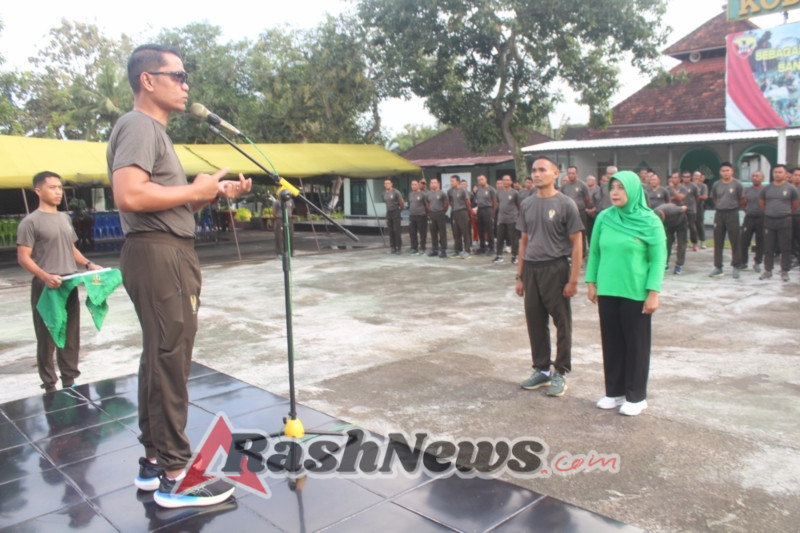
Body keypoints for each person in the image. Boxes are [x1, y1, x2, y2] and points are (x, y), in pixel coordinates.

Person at [107, 44, 252, 508]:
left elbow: (164, 199)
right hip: (158, 254)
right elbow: (129, 195)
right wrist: (194, 187)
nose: (186, 83)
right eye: (178, 74)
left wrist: (208, 192)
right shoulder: (138, 125)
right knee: (170, 356)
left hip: (163, 250)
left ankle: (154, 462)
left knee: (159, 355)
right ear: (147, 80)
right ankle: (175, 473)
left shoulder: (153, 131)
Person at [586, 170, 666, 417]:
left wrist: (653, 292)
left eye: (621, 187)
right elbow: (596, 252)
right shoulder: (604, 218)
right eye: (613, 187)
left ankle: (636, 397)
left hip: (635, 292)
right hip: (608, 289)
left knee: (636, 345)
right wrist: (591, 281)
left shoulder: (650, 220)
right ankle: (614, 392)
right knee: (612, 343)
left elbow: (658, 258)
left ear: (633, 190)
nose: (616, 192)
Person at [16, 171, 103, 394]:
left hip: (68, 283)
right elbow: (23, 257)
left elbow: (71, 248)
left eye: (60, 188)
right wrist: (45, 276)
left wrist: (88, 264)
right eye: (52, 187)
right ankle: (49, 385)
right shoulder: (30, 222)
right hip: (46, 286)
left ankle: (69, 380)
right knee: (47, 337)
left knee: (71, 334)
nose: (58, 192)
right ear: (38, 191)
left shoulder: (64, 218)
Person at [516, 157, 583, 398]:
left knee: (562, 322)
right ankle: (541, 370)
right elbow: (524, 240)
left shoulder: (566, 204)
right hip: (532, 269)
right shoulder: (527, 204)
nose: (536, 174)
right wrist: (520, 276)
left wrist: (573, 279)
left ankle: (560, 372)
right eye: (534, 170)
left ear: (555, 173)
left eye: (542, 170)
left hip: (556, 268)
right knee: (535, 321)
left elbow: (577, 243)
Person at [759, 164, 800, 281]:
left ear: (786, 174)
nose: (777, 174)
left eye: (780, 172)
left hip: (785, 220)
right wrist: (770, 212)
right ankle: (767, 270)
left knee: (785, 246)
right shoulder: (767, 188)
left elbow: (795, 204)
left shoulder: (790, 188)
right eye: (775, 172)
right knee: (769, 247)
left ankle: (785, 271)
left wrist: (785, 212)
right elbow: (762, 203)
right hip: (769, 220)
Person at [710, 162, 743, 278]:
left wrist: (732, 206)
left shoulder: (737, 184)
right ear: (720, 172)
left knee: (735, 240)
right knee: (718, 241)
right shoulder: (716, 184)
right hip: (719, 213)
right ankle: (718, 267)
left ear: (732, 171)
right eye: (723, 171)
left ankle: (736, 266)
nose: (725, 173)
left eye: (727, 170)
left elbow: (742, 199)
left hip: (733, 212)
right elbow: (714, 198)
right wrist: (721, 206)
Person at [559, 165, 591, 253]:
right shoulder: (564, 187)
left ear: (577, 174)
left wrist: (582, 207)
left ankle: (583, 253)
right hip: (567, 214)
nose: (571, 175)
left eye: (573, 173)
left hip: (580, 213)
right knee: (568, 233)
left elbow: (587, 199)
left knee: (581, 233)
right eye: (569, 173)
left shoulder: (582, 185)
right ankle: (570, 252)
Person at [738, 170, 765, 272]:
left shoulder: (765, 190)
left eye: (757, 176)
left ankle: (757, 262)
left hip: (762, 218)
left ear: (762, 178)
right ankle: (743, 262)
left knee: (760, 241)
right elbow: (743, 203)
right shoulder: (747, 190)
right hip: (749, 217)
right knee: (744, 240)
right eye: (753, 176)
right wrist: (748, 211)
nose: (755, 178)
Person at [654, 203, 688, 275]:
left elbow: (684, 207)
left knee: (681, 244)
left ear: (664, 215)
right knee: (667, 242)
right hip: (669, 225)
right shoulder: (654, 213)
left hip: (681, 222)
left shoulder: (672, 210)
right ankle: (665, 263)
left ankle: (679, 265)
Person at [493, 175, 520, 264]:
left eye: (507, 180)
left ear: (511, 182)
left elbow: (518, 205)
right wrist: (494, 214)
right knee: (499, 238)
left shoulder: (515, 193)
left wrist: (517, 215)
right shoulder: (499, 193)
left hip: (512, 219)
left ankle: (514, 256)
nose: (505, 182)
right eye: (504, 180)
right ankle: (499, 256)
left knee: (513, 239)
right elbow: (497, 204)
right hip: (501, 219)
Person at [448, 176, 472, 258]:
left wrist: (467, 213)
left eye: (452, 181)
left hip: (463, 212)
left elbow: (468, 202)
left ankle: (467, 250)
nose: (451, 183)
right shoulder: (452, 191)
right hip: (455, 212)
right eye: (450, 181)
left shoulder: (463, 190)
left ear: (457, 182)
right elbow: (451, 202)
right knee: (456, 232)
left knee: (465, 232)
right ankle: (458, 250)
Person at [474, 175, 497, 255]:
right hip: (480, 209)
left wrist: (493, 212)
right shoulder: (478, 189)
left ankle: (491, 248)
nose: (480, 181)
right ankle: (482, 247)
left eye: (482, 179)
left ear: (486, 179)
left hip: (488, 209)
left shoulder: (491, 189)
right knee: (480, 230)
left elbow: (495, 202)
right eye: (479, 180)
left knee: (489, 230)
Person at [427, 178, 449, 258]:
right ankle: (435, 249)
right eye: (431, 183)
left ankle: (443, 249)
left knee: (442, 232)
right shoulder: (428, 194)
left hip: (440, 213)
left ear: (438, 184)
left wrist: (443, 211)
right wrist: (429, 211)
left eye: (434, 183)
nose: (433, 184)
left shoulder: (442, 193)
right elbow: (428, 203)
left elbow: (446, 203)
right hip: (432, 214)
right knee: (433, 232)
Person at [680, 171, 701, 251]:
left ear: (690, 177)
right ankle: (684, 243)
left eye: (688, 176)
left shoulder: (694, 186)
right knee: (682, 226)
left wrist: (692, 204)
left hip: (691, 209)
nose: (686, 178)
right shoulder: (681, 186)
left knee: (692, 226)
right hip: (682, 209)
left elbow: (697, 197)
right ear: (682, 178)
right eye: (684, 177)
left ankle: (695, 243)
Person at [383, 179, 404, 254]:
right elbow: (385, 202)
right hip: (389, 212)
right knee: (390, 230)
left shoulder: (396, 192)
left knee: (396, 230)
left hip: (396, 212)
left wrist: (399, 210)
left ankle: (399, 247)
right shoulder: (384, 193)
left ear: (391, 184)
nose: (386, 184)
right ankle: (393, 247)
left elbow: (401, 203)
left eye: (388, 183)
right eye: (385, 183)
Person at [407, 179, 428, 255]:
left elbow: (427, 205)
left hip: (421, 216)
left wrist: (426, 214)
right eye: (412, 185)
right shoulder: (410, 194)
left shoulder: (423, 194)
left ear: (418, 185)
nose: (413, 186)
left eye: (415, 184)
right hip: (412, 216)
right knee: (412, 233)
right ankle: (414, 247)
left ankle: (422, 248)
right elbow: (409, 204)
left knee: (422, 233)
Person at [693, 171, 709, 248]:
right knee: (691, 225)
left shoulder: (703, 186)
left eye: (698, 176)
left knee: (700, 224)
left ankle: (702, 241)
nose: (696, 177)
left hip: (699, 206)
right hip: (690, 207)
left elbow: (705, 196)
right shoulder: (690, 185)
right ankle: (694, 242)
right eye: (695, 176)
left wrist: (697, 196)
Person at [584, 175, 598, 243]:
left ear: (594, 181)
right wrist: (586, 209)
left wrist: (594, 209)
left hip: (596, 213)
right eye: (588, 180)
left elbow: (600, 201)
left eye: (591, 180)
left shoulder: (599, 190)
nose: (589, 181)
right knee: (588, 231)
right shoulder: (584, 190)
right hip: (586, 213)